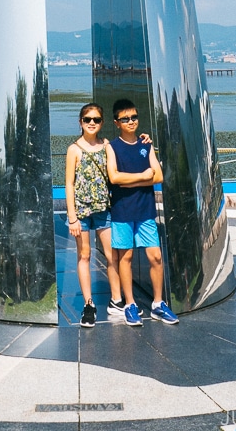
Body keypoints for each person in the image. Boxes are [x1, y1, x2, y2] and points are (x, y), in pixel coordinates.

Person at [105, 98, 179, 326]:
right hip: (122, 212)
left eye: (134, 117)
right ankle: (130, 305)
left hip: (145, 211)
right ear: (116, 122)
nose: (130, 122)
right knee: (125, 258)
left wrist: (132, 183)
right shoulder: (112, 147)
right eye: (125, 118)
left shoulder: (146, 145)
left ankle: (157, 303)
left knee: (155, 256)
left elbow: (158, 176)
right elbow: (114, 177)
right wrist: (143, 177)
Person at [65, 102, 124, 327]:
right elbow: (69, 184)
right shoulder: (74, 149)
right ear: (80, 122)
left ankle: (116, 299)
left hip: (103, 209)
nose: (92, 123)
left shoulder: (106, 145)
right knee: (85, 256)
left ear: (102, 123)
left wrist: (144, 139)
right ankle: (89, 304)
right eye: (87, 119)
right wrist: (72, 217)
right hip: (81, 212)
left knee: (112, 255)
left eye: (96, 120)